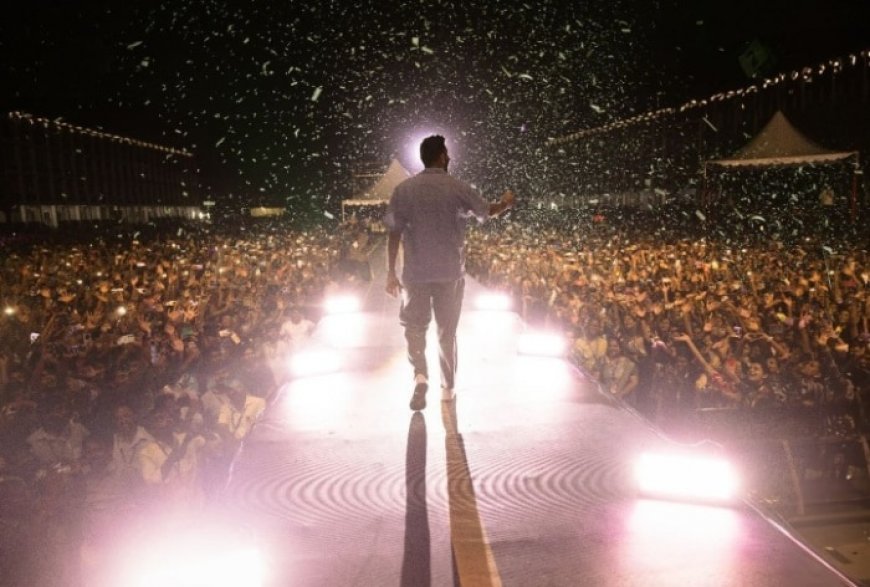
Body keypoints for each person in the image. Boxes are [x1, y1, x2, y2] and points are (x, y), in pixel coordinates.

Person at [384, 135, 516, 410]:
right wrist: (504, 203)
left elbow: (393, 233)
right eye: (447, 154)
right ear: (442, 156)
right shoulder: (457, 187)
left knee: (414, 327)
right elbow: (485, 211)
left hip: (416, 273)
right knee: (446, 331)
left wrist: (389, 273)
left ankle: (420, 375)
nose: (450, 158)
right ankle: (448, 387)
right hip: (450, 273)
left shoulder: (404, 189)